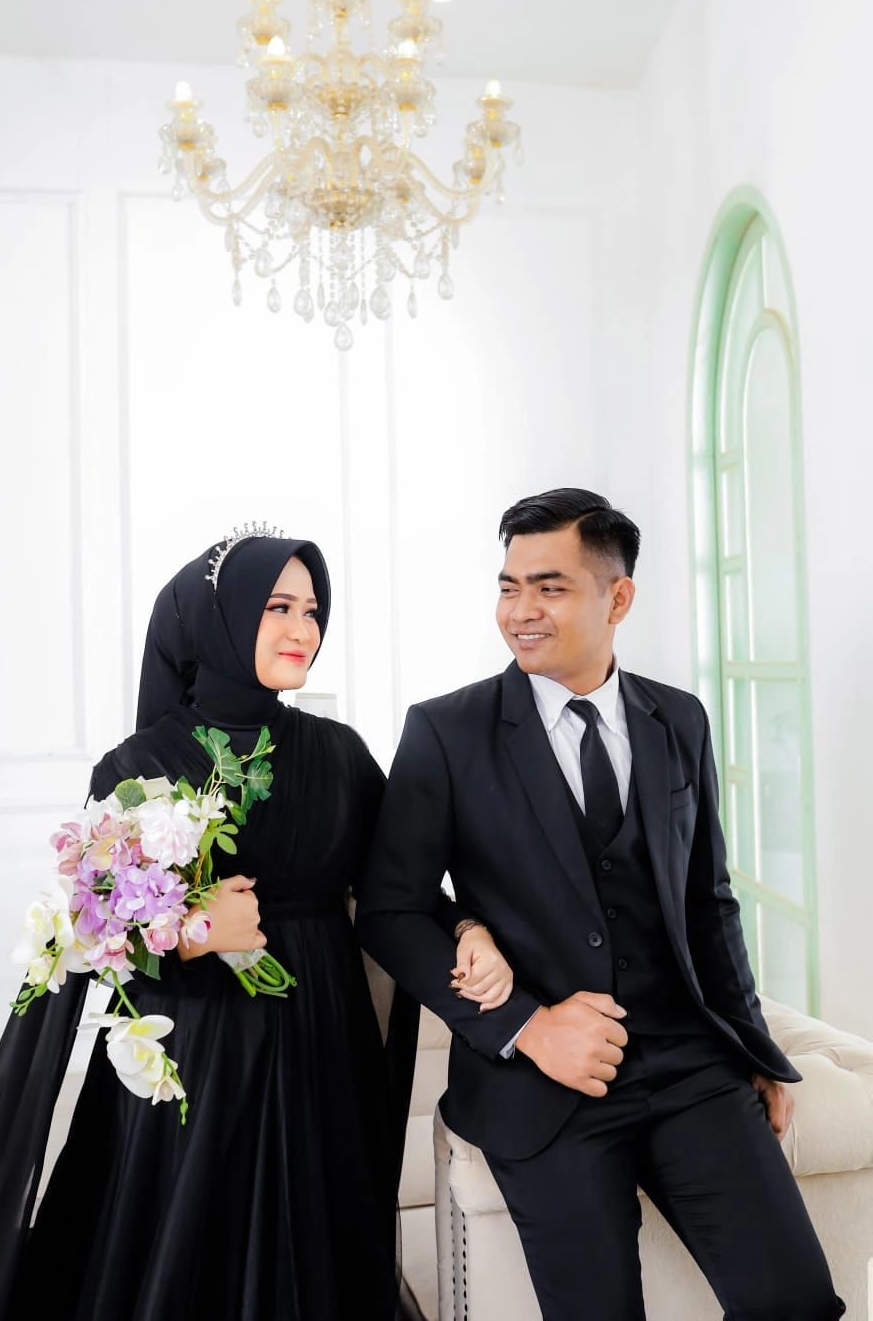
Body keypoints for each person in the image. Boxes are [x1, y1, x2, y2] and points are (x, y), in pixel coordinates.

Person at [0, 530, 509, 1321]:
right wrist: (193, 929)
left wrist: (467, 927)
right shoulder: (136, 766)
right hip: (194, 1048)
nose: (303, 630)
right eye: (277, 607)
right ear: (220, 620)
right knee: (183, 1242)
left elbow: (396, 886)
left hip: (319, 1041)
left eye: (312, 610)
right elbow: (91, 932)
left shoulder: (339, 754)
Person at [356, 488, 845, 1321]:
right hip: (542, 1084)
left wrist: (755, 1048)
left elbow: (709, 899)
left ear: (618, 598)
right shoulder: (446, 731)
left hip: (690, 1067)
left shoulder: (678, 719)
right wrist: (527, 1025)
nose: (521, 611)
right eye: (509, 586)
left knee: (796, 1300)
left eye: (549, 587)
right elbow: (389, 909)